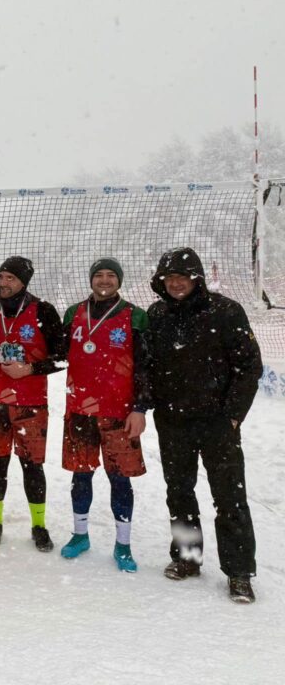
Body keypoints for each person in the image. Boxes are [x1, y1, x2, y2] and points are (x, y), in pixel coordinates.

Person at [147, 247, 262, 603]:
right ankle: (187, 558)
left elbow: (249, 367)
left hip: (217, 424)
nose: (176, 284)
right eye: (169, 278)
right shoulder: (157, 314)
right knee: (179, 493)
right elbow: (147, 366)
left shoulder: (226, 312)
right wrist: (150, 406)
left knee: (229, 497)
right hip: (173, 423)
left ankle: (239, 572)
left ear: (196, 278)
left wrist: (232, 415)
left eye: (183, 277)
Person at [59, 258, 150, 572]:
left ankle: (123, 544)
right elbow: (57, 353)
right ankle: (80, 535)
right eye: (99, 274)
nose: (105, 280)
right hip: (80, 410)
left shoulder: (135, 316)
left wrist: (140, 407)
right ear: (91, 279)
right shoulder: (73, 313)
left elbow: (144, 367)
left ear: (119, 280)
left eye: (111, 275)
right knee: (80, 476)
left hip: (118, 412)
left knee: (119, 480)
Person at [0, 256, 65, 552]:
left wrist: (30, 368)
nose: (3, 283)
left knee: (32, 466)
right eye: (1, 276)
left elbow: (63, 357)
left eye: (10, 278)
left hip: (30, 403)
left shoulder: (43, 310)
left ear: (24, 282)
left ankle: (39, 526)